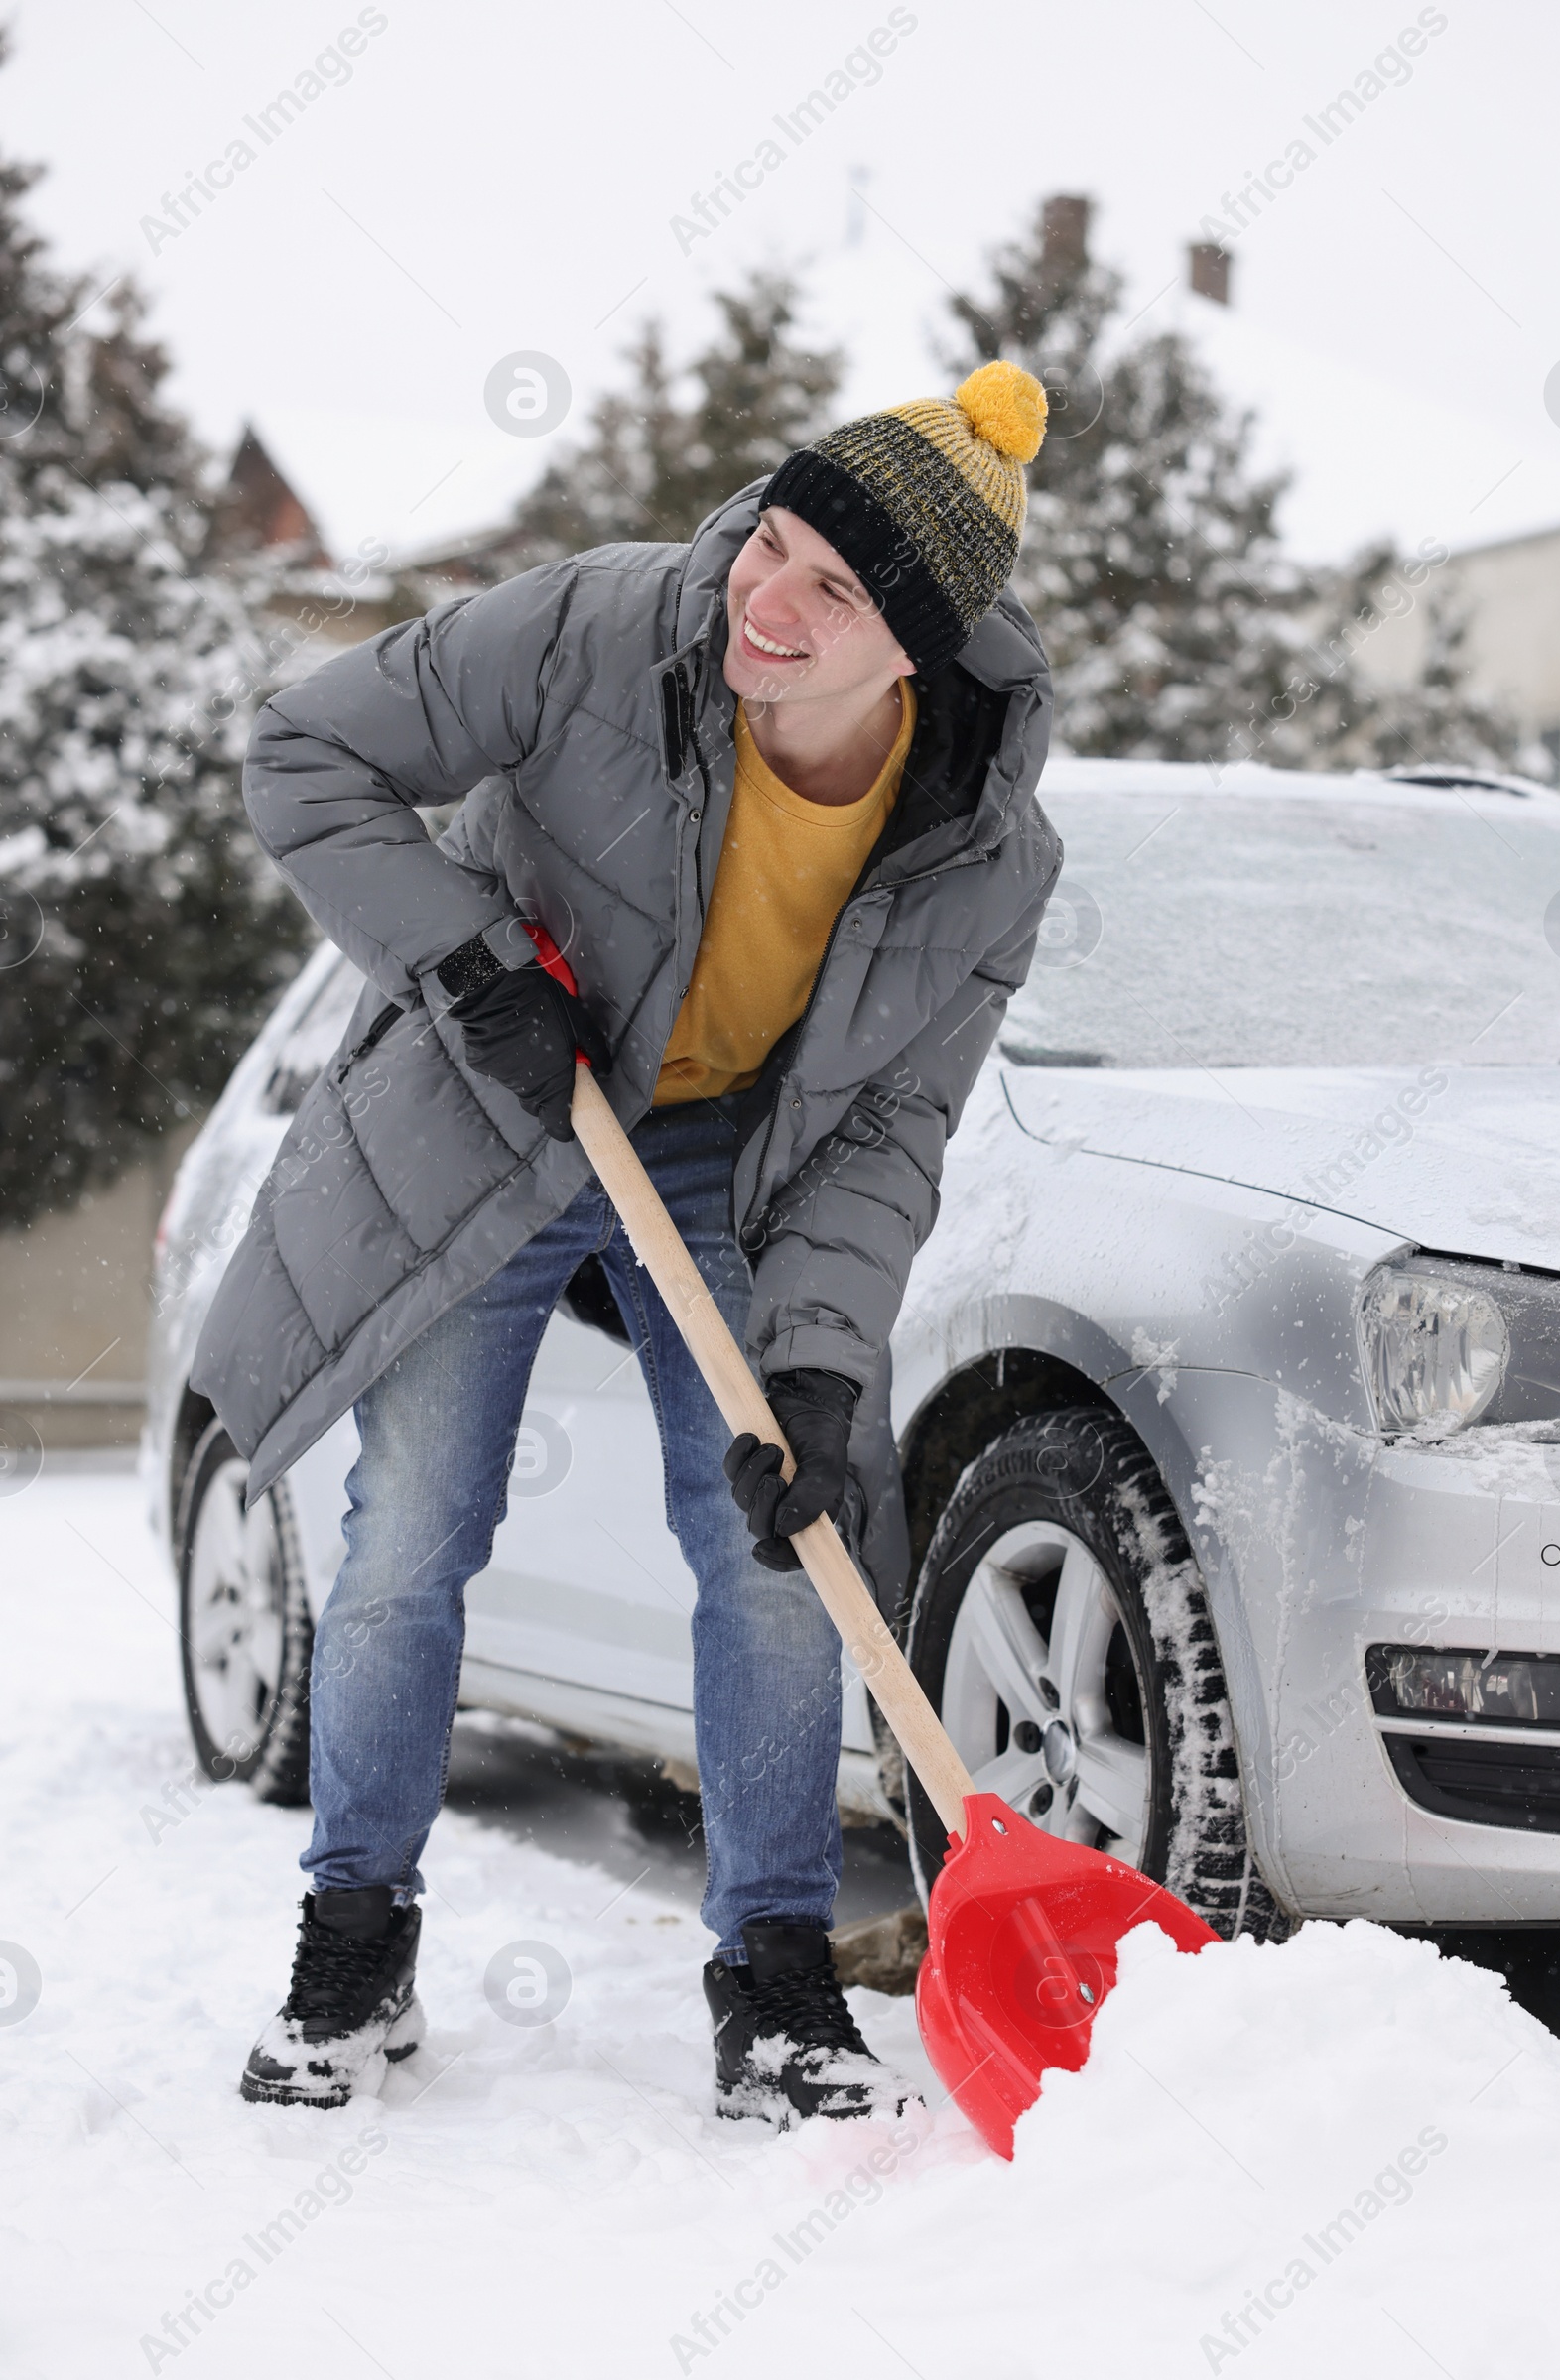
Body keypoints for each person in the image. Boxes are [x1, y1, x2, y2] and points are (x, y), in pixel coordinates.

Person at [194, 359, 1061, 2123]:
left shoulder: (983, 857)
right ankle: (353, 1935)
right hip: (500, 1096)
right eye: (779, 542)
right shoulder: (604, 625)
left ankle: (777, 1980)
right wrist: (468, 963)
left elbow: (889, 1123)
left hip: (726, 1166)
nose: (770, 595)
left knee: (776, 1546)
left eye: (832, 590)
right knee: (409, 1528)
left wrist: (817, 1362)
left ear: (917, 650)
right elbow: (309, 745)